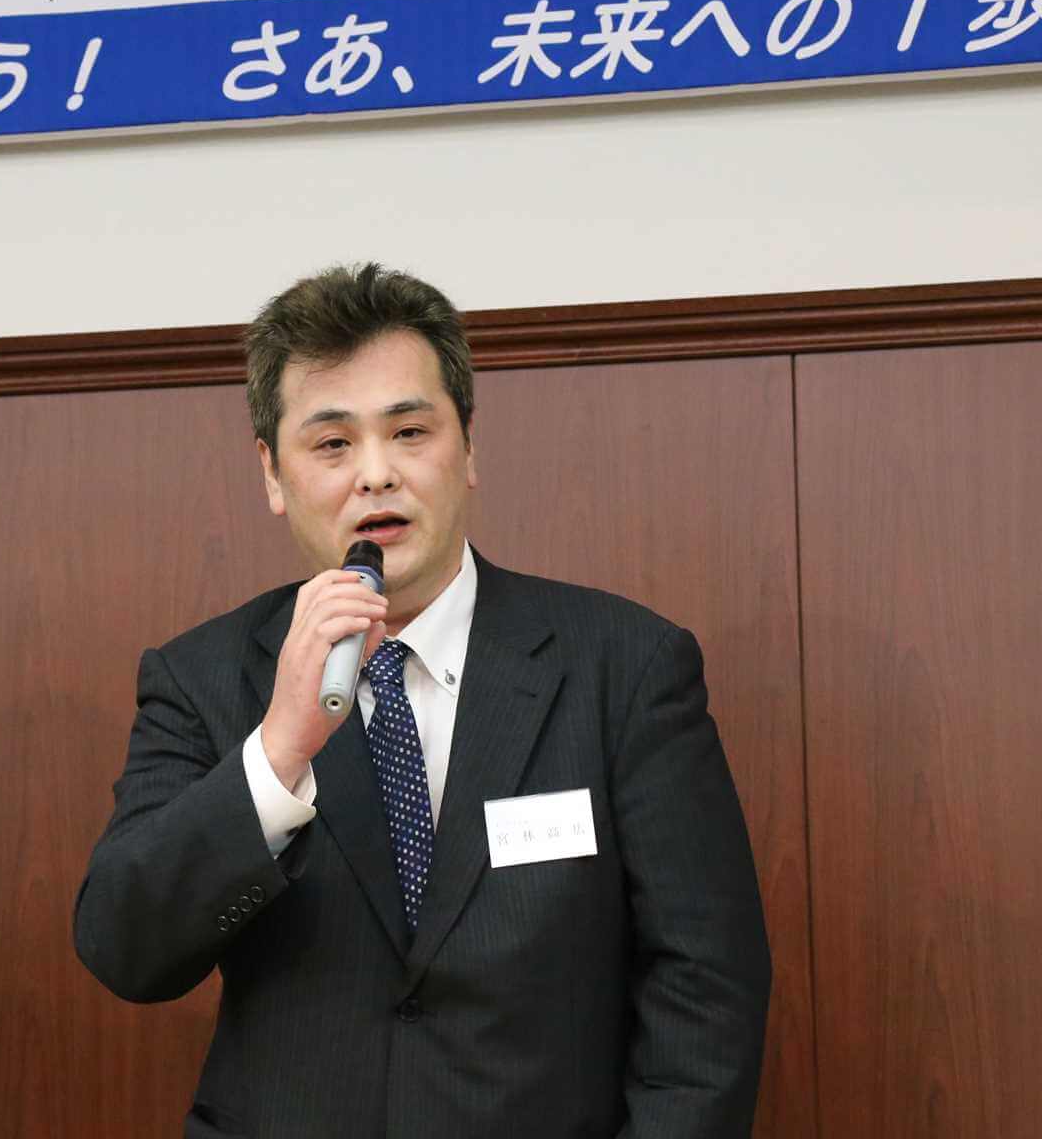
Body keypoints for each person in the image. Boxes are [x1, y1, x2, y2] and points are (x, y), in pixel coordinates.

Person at [75, 263, 770, 1137]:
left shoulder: (623, 666)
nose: (376, 475)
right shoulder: (201, 679)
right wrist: (278, 752)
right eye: (332, 445)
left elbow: (707, 987)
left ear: (468, 447)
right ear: (273, 474)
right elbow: (126, 950)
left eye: (409, 431)